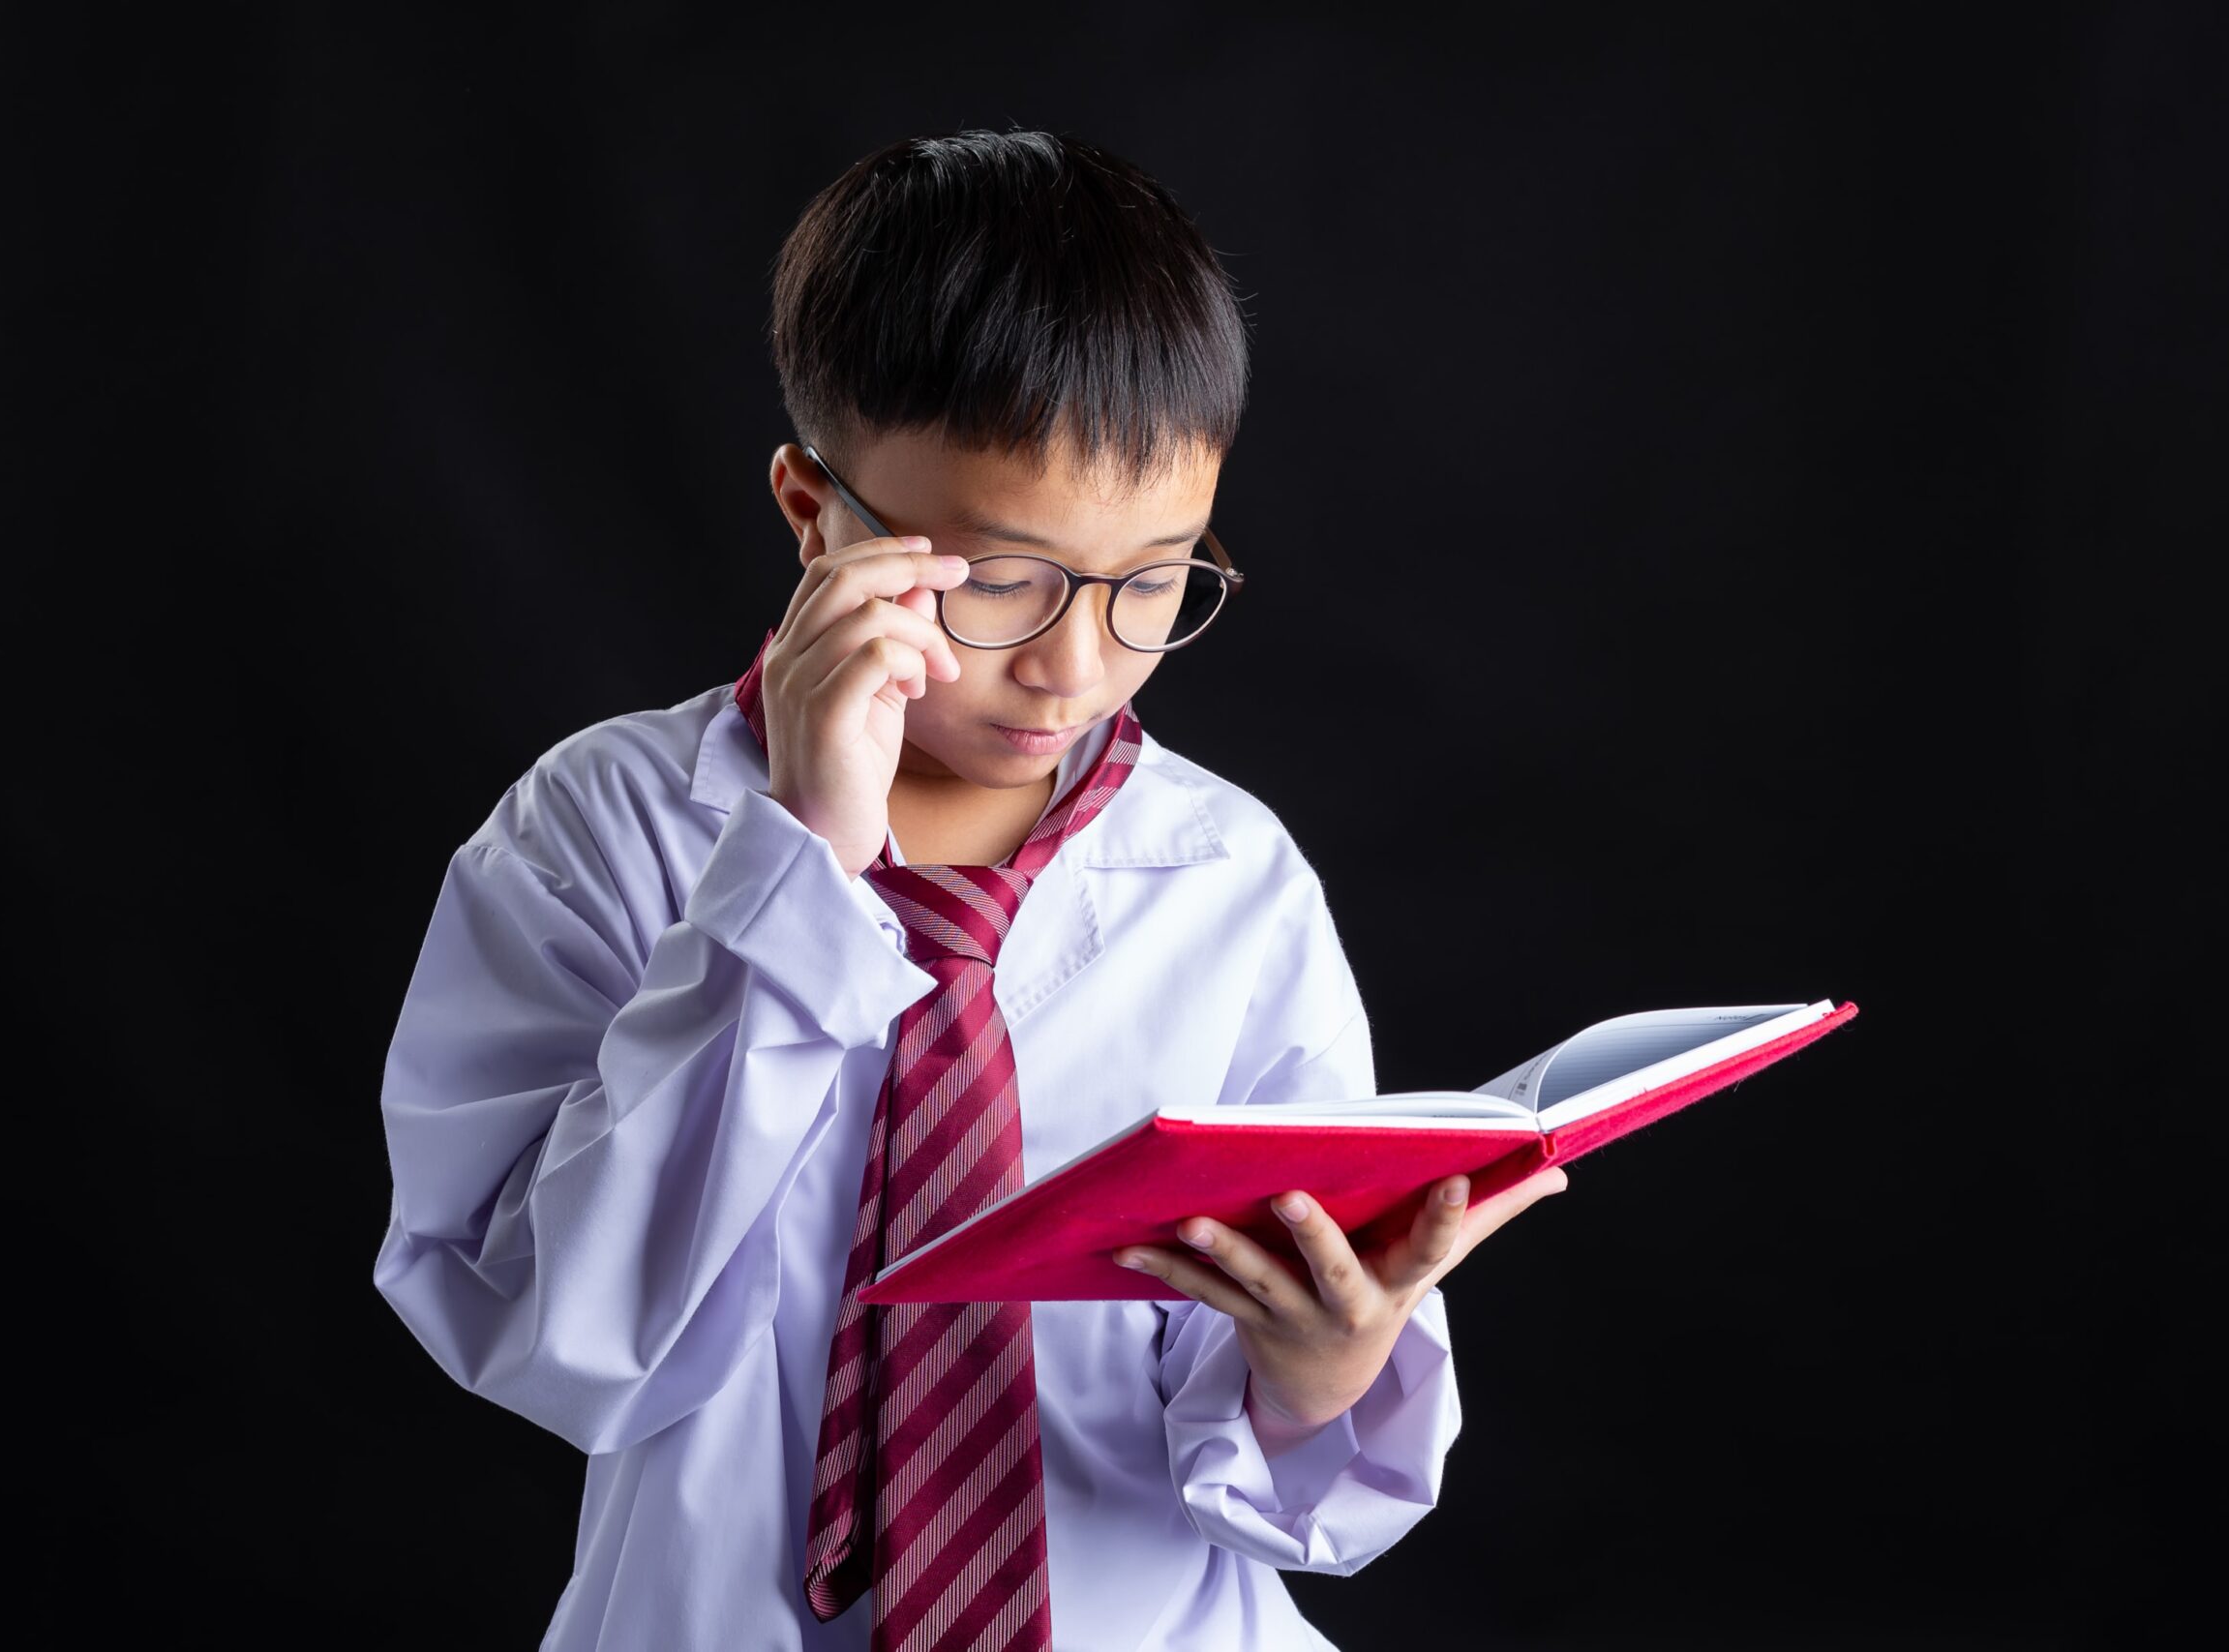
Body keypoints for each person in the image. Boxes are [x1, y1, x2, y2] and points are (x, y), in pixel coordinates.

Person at [373, 128, 1568, 1652]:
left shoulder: (1227, 881)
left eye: (1155, 581)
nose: (1076, 664)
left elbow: (1266, 1421)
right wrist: (798, 859)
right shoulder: (600, 832)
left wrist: (1324, 1376)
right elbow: (557, 1336)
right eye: (1000, 579)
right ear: (819, 515)